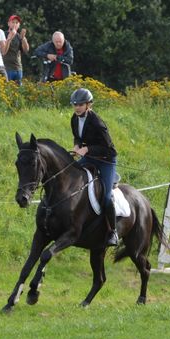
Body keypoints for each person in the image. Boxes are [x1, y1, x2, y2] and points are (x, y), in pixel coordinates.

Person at [70, 88, 119, 246]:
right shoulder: (74, 119)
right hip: (89, 158)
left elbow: (110, 149)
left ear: (88, 105)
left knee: (106, 196)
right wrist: (77, 147)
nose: (77, 107)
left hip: (106, 160)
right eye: (75, 104)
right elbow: (78, 137)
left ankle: (113, 232)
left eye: (80, 104)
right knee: (70, 174)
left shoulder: (97, 122)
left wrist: (88, 149)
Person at [3, 15, 29, 84]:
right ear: (8, 23)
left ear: (19, 25)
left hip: (18, 68)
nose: (15, 24)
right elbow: (2, 50)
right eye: (13, 22)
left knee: (18, 92)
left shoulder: (19, 36)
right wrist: (10, 38)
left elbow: (26, 50)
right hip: (6, 68)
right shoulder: (3, 34)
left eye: (16, 23)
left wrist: (23, 39)